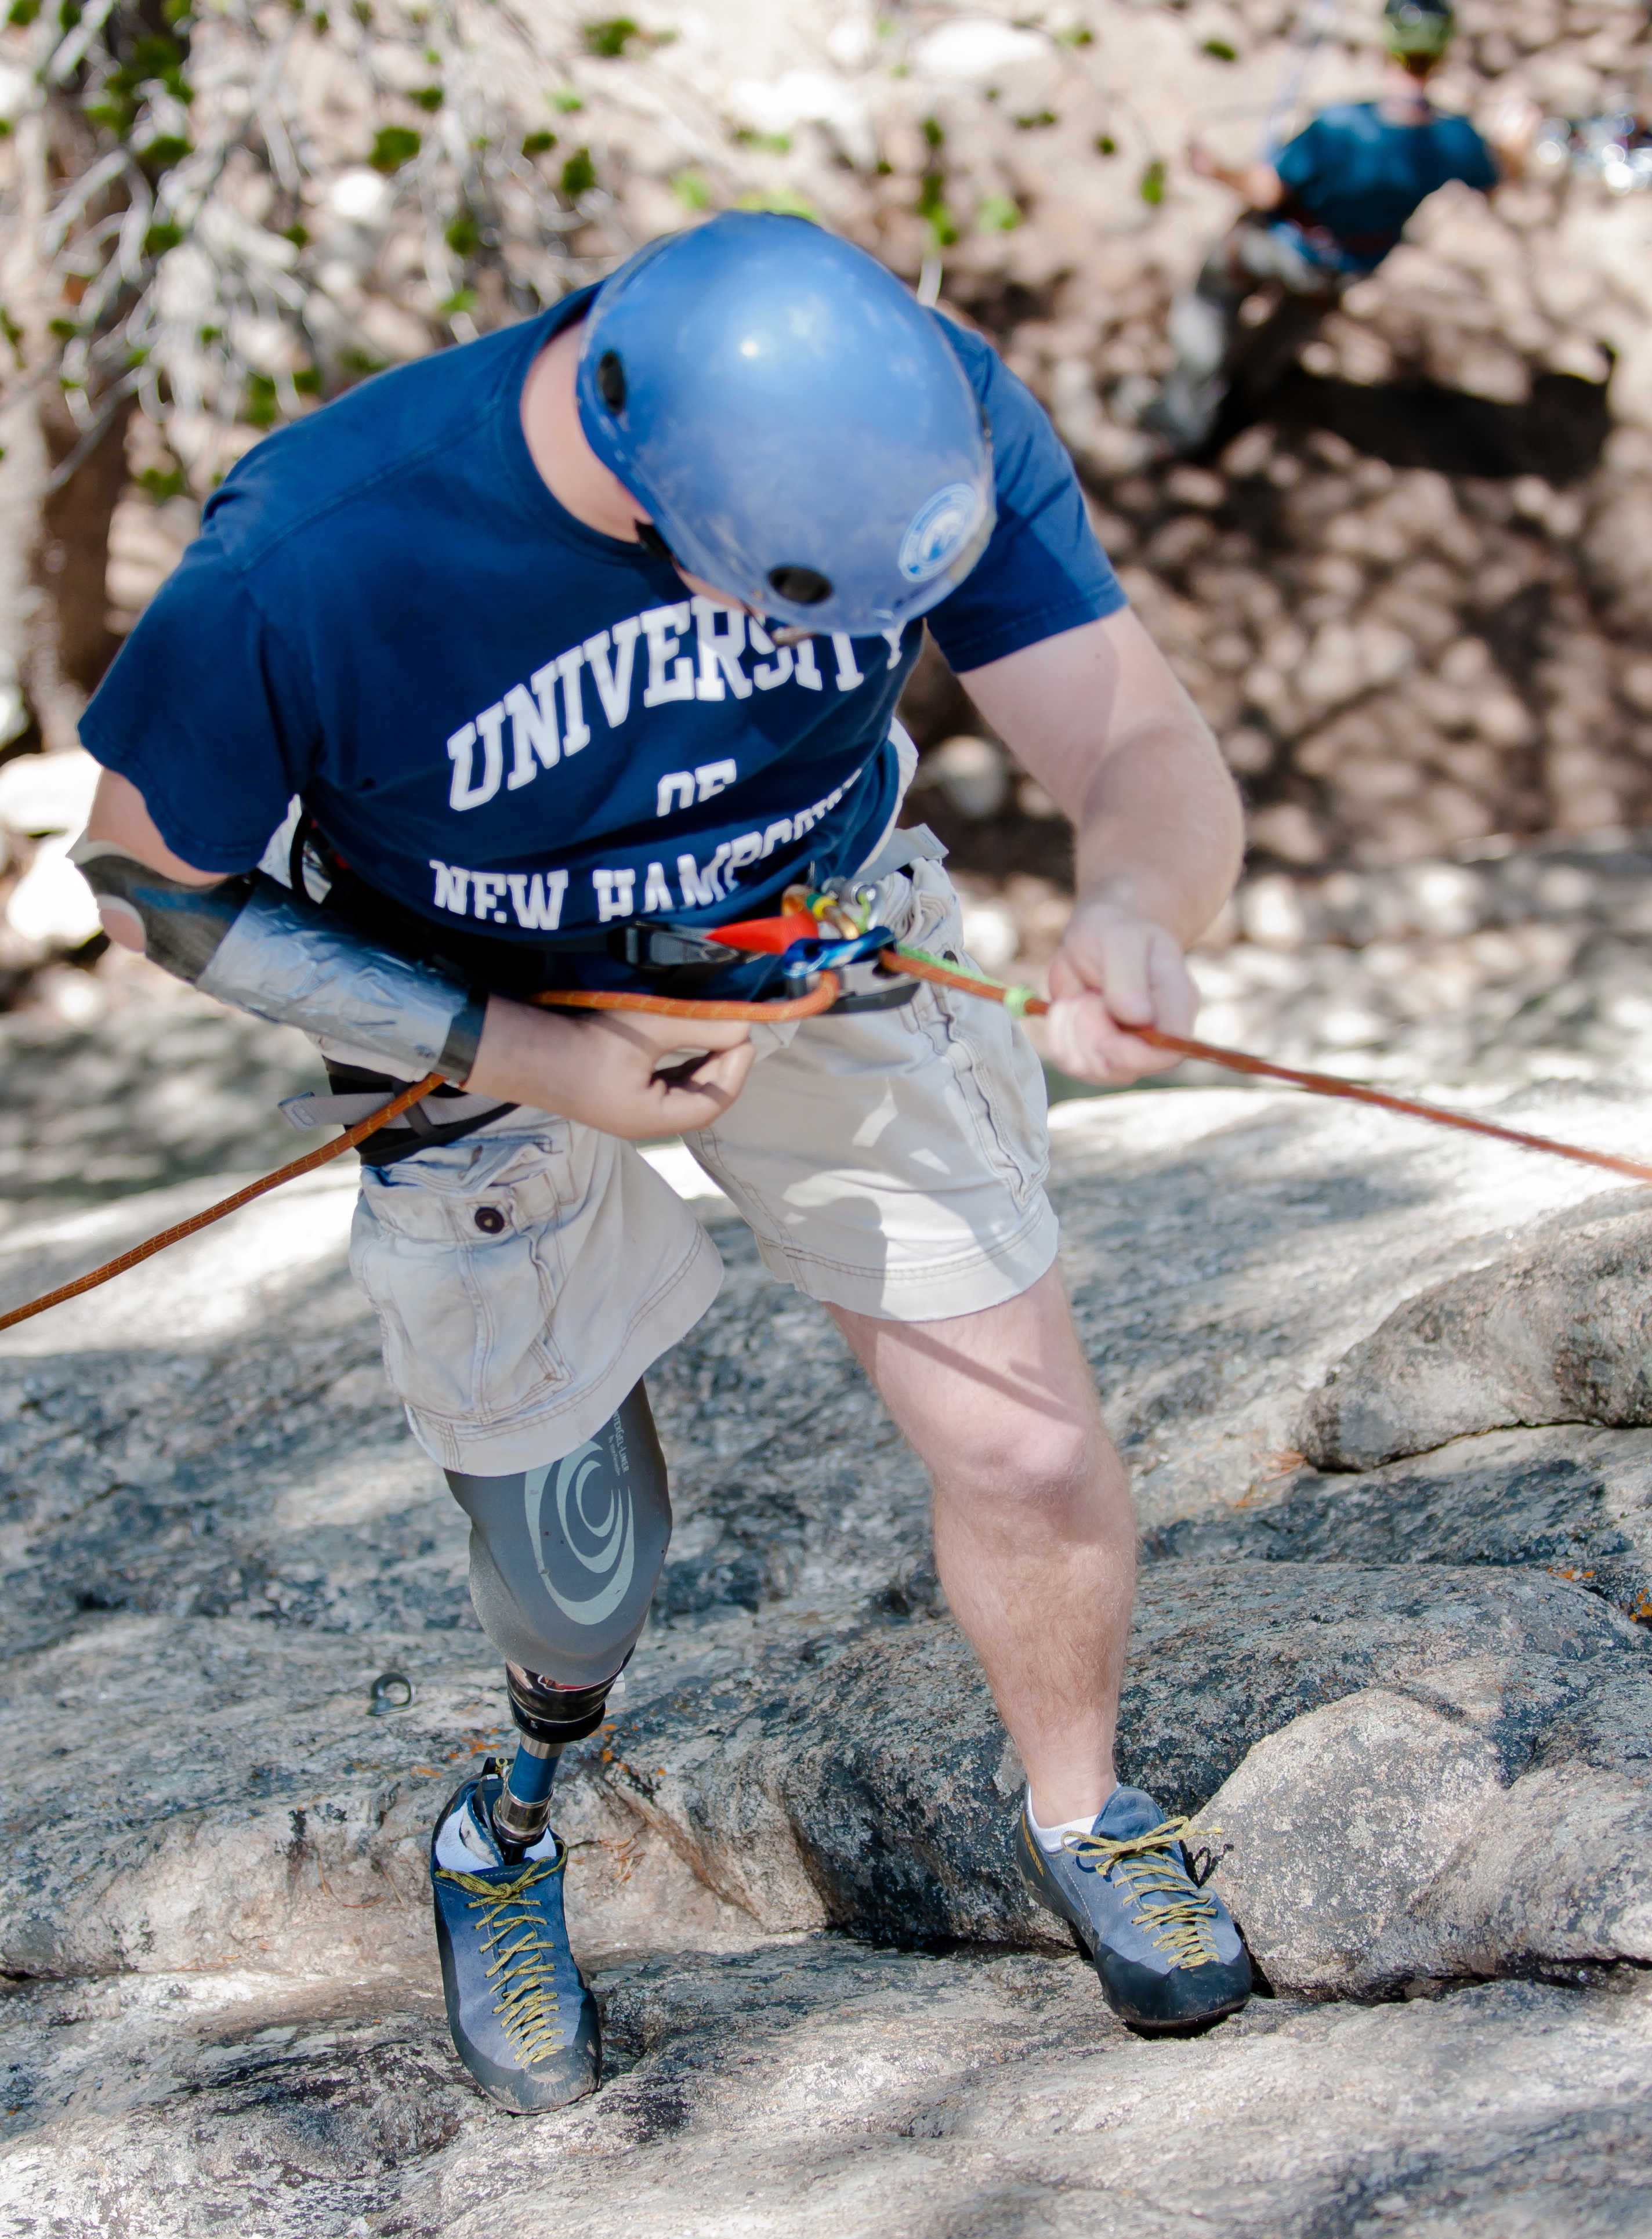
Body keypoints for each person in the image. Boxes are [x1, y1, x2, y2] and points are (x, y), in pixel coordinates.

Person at [72, 211, 1251, 2116]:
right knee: (568, 1567)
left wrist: (1134, 902)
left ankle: (1082, 1808)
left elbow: (1127, 728)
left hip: (808, 937)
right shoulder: (322, 546)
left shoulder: (914, 422)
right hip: (476, 1004)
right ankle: (507, 1828)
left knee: (1024, 1440)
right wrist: (542, 1055)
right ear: (642, 497)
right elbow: (146, 886)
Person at [1140, 0, 1538, 453]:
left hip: (1282, 245)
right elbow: (1497, 178)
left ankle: (1181, 419)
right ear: (1443, 56)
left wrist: (1214, 170)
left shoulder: (1339, 128)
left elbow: (1267, 191)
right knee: (1293, 321)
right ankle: (1250, 388)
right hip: (1352, 260)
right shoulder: (1454, 139)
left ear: (1383, 49)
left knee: (1211, 304)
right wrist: (1516, 140)